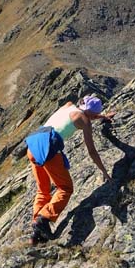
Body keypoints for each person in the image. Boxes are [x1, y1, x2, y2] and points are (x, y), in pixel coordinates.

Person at [24, 95, 115, 244]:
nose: (92, 119)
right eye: (93, 116)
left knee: (43, 189)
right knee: (65, 188)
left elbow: (80, 115)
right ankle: (44, 219)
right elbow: (91, 151)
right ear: (90, 114)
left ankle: (35, 232)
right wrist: (104, 171)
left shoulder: (68, 105)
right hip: (48, 149)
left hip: (33, 145)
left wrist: (102, 116)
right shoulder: (84, 120)